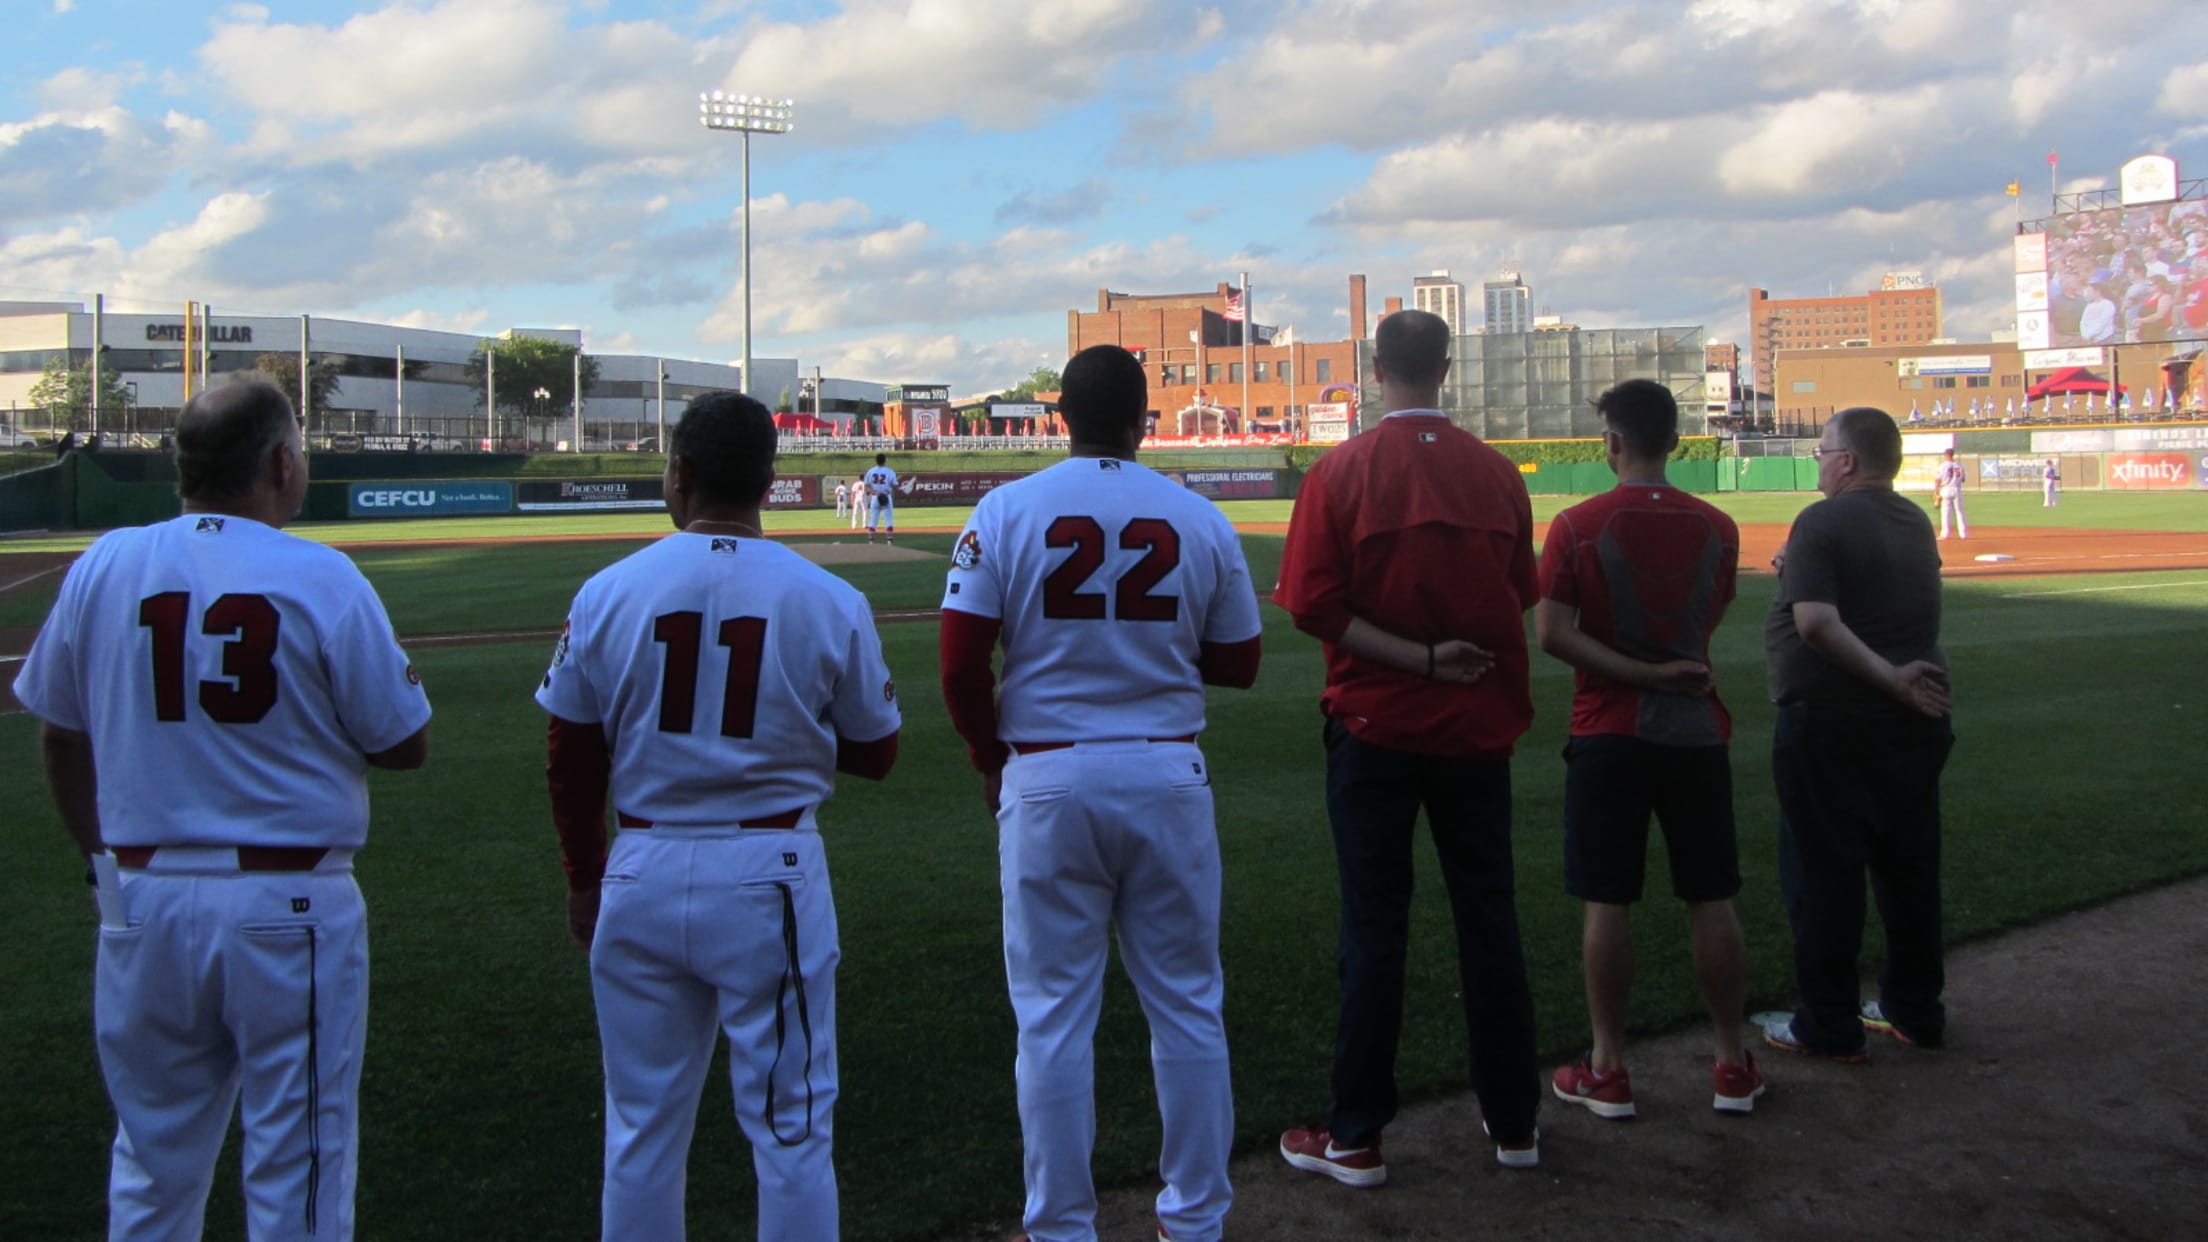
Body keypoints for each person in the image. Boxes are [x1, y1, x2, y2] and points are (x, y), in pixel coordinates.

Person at [13, 381, 432, 1240]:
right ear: (282, 463)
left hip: (142, 898)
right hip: (289, 903)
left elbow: (61, 734)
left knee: (151, 1161)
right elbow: (403, 744)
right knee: (299, 1165)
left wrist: (101, 872)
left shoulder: (104, 563)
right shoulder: (319, 571)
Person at [537, 391, 901, 1242]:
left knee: (640, 1134)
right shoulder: (826, 597)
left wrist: (584, 882)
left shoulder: (607, 591)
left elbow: (572, 759)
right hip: (769, 871)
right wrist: (789, 737)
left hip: (641, 864)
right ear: (771, 483)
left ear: (682, 474)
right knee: (790, 1131)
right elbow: (877, 752)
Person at [939, 345, 1262, 1242]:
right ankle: (1196, 1220)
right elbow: (1239, 662)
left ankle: (1061, 1228)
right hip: (1164, 768)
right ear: (1144, 420)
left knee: (1050, 1021)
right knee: (1189, 1004)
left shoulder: (1005, 509)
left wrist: (985, 757)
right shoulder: (1196, 517)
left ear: (1059, 420)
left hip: (1045, 775)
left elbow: (961, 664)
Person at [1273, 309, 1543, 1185]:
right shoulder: (1498, 475)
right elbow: (1519, 595)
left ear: (1374, 366)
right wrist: (1444, 657)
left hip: (1374, 729)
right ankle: (1516, 1124)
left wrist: (1416, 659)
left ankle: (1357, 1134)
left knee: (1375, 929)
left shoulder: (1341, 471)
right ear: (1447, 367)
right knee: (1489, 923)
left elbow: (1310, 604)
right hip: (1475, 733)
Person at [1536, 379, 1766, 1120]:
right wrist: (1668, 669)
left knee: (1609, 898)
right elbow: (1709, 614)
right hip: (1696, 730)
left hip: (1608, 730)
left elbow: (1552, 634)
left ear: (1612, 443)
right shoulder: (1720, 528)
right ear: (1674, 441)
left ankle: (1607, 1068)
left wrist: (1639, 673)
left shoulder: (1575, 525)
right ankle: (1732, 1063)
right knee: (1712, 894)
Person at [1761, 407, 1954, 1062]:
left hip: (1836, 726)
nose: (1817, 462)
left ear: (1846, 461)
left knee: (1824, 878)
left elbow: (1816, 624)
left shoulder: (1823, 520)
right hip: (1914, 731)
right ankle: (1914, 1009)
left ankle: (1830, 1022)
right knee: (1908, 872)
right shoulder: (1914, 520)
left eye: (1822, 452)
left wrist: (1890, 677)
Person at [863, 453, 898, 544]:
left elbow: (866, 487)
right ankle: (889, 542)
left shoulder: (871, 471)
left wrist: (875, 492)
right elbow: (895, 486)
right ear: (885, 460)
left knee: (873, 520)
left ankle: (871, 542)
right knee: (889, 519)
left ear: (876, 461)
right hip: (886, 496)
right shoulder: (890, 471)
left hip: (875, 497)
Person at [1934, 447, 1967, 540]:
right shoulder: (1960, 465)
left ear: (1945, 455)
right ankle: (1963, 534)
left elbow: (1937, 480)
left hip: (1946, 489)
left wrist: (1936, 492)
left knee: (1945, 513)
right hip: (1957, 489)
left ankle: (1945, 534)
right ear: (1952, 455)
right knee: (1960, 512)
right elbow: (1963, 479)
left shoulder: (1942, 466)